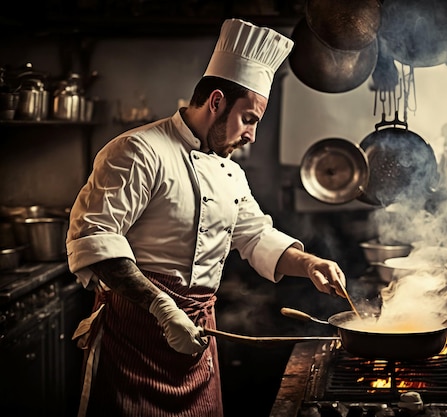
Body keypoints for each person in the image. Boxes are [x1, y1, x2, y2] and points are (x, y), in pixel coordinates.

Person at [66, 18, 347, 417]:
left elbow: (255, 238)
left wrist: (312, 264)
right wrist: (164, 310)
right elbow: (96, 241)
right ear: (216, 102)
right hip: (135, 336)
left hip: (198, 336)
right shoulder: (137, 150)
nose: (251, 135)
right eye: (248, 119)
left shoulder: (230, 171)